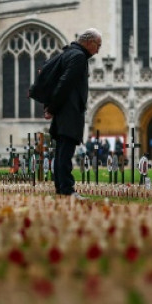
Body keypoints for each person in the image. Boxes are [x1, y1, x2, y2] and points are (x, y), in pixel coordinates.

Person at [43, 28, 101, 197]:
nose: (98, 50)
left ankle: (61, 188)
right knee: (65, 154)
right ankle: (67, 190)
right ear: (89, 42)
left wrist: (51, 106)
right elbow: (64, 84)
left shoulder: (67, 53)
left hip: (63, 111)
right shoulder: (78, 57)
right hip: (69, 112)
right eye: (98, 45)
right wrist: (52, 108)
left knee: (61, 152)